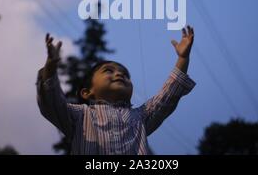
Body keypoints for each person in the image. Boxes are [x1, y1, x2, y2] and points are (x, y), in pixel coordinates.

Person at [36, 25, 196, 154]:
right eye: (108, 71)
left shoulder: (142, 116)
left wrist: (183, 58)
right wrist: (50, 67)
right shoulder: (80, 115)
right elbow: (52, 102)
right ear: (86, 92)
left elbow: (168, 96)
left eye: (125, 74)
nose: (119, 74)